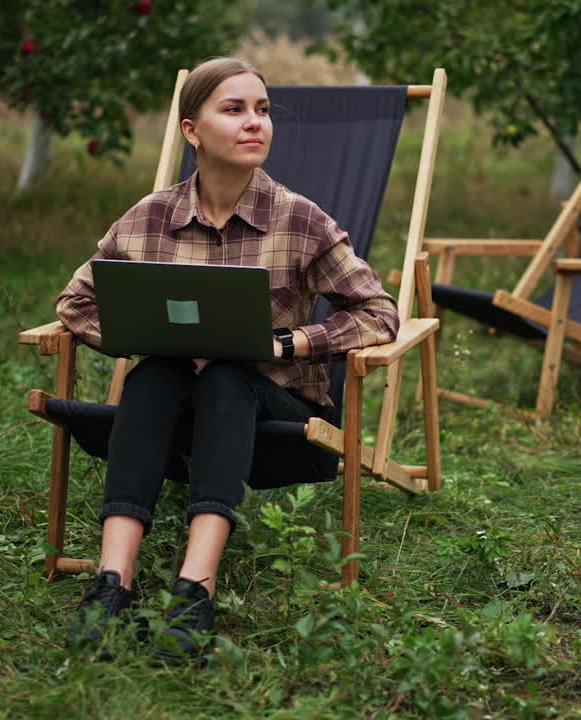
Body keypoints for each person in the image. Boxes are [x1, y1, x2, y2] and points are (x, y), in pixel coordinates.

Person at [54, 57, 399, 660]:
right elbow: (75, 301)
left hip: (277, 415)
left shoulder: (299, 219)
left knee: (227, 373)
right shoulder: (149, 219)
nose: (254, 123)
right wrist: (136, 336)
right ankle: (112, 587)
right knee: (159, 371)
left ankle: (195, 590)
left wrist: (289, 343)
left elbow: (379, 313)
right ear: (192, 131)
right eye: (234, 109)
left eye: (262, 110)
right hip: (168, 406)